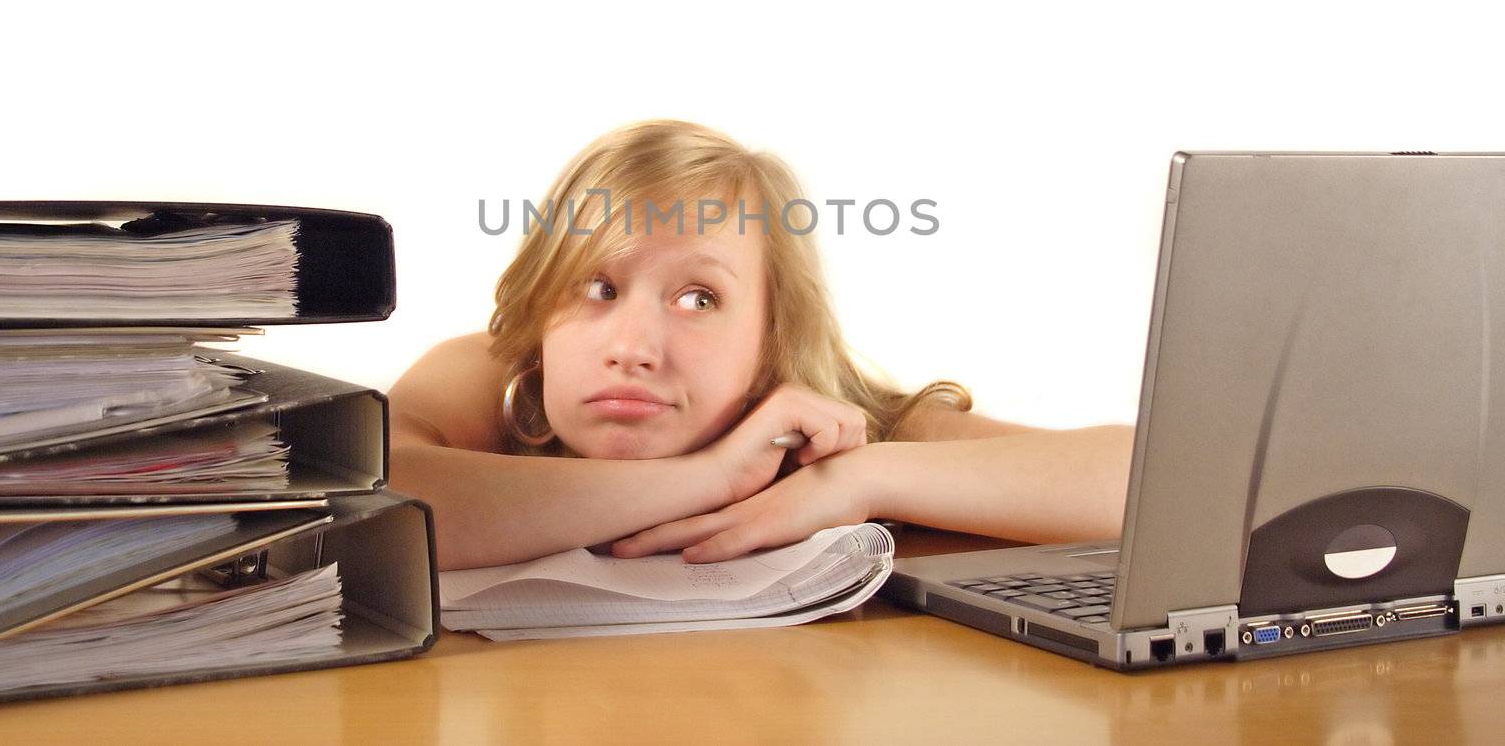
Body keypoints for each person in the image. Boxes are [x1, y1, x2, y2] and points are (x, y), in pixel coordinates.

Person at [390, 119, 1133, 571]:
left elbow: (1151, 483)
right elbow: (372, 501)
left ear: (771, 342)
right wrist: (712, 477)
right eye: (597, 288)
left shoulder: (821, 417)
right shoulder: (499, 374)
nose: (633, 346)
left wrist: (859, 479)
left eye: (699, 298)